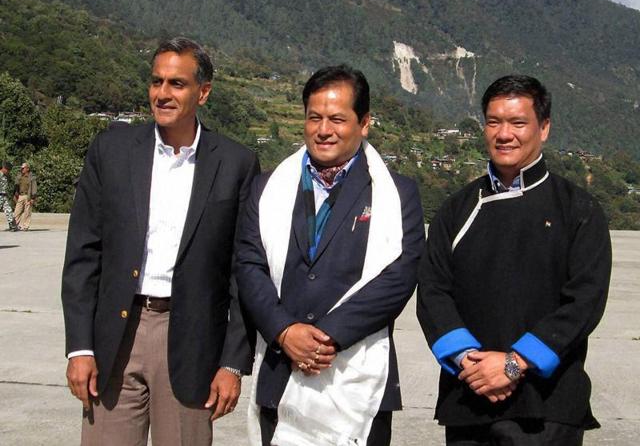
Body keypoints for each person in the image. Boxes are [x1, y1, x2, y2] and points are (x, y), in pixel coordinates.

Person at [61, 37, 260, 445]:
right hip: (115, 338)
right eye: (156, 82)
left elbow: (245, 270)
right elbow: (84, 253)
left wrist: (233, 363)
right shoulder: (112, 151)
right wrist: (79, 347)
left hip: (191, 343)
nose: (163, 94)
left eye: (177, 84)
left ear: (203, 92)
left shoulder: (235, 163)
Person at [235, 65, 424, 446]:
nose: (324, 130)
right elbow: (249, 265)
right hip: (281, 368)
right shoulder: (267, 188)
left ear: (364, 122)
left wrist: (327, 338)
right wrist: (285, 331)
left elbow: (399, 277)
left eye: (338, 119)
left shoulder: (397, 193)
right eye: (314, 118)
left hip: (357, 376)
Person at [417, 75, 611, 445]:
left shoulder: (578, 209)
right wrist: (468, 361)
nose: (504, 134)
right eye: (494, 122)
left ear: (545, 128)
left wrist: (514, 363)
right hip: (469, 398)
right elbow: (432, 291)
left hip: (547, 406)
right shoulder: (456, 209)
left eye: (518, 123)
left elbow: (585, 301)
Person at [13, 162, 37, 230]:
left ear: (27, 169)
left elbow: (34, 188)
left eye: (23, 168)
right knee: (17, 211)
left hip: (28, 196)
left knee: (27, 212)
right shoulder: (19, 176)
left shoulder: (32, 177)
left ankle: (26, 226)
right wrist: (15, 195)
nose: (22, 169)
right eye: (21, 168)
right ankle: (15, 225)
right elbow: (16, 186)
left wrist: (33, 198)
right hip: (20, 195)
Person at [1, 161, 18, 231]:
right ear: (4, 168)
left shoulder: (6, 176)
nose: (9, 172)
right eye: (8, 170)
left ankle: (12, 226)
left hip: (4, 196)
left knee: (9, 210)